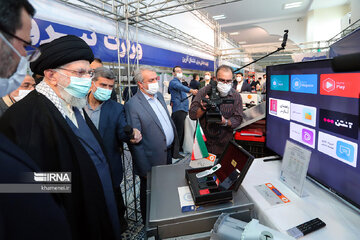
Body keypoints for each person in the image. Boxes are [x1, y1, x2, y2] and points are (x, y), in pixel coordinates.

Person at [0, 35, 121, 240]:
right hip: (70, 215)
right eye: (79, 73)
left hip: (100, 204)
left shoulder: (74, 103)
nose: (87, 80)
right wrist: (75, 182)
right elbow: (17, 182)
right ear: (51, 75)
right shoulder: (22, 117)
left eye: (89, 73)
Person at [0, 1, 71, 239]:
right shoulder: (21, 114)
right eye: (23, 44)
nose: (23, 55)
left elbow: (15, 179)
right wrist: (62, 182)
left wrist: (65, 181)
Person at [85, 67, 142, 231]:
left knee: (114, 202)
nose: (107, 90)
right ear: (91, 83)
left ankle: (119, 224)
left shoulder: (116, 109)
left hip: (109, 165)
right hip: (84, 165)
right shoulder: (76, 105)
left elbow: (122, 132)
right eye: (103, 85)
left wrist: (133, 134)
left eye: (111, 87)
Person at [125, 66, 179, 224]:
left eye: (156, 79)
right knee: (148, 195)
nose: (156, 82)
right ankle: (149, 224)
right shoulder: (133, 105)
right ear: (140, 84)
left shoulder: (159, 96)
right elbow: (135, 141)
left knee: (164, 189)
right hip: (150, 160)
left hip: (166, 153)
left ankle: (163, 216)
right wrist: (143, 169)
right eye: (152, 80)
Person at [189, 65, 243, 155]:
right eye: (222, 80)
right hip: (203, 143)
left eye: (228, 81)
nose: (225, 83)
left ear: (232, 80)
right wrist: (203, 108)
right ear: (215, 79)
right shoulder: (204, 91)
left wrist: (225, 122)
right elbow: (192, 115)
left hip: (224, 144)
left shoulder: (236, 96)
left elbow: (238, 118)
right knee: (200, 168)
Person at [169, 66, 198, 152]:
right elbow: (181, 88)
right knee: (178, 131)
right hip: (179, 109)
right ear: (173, 73)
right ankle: (175, 151)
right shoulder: (174, 82)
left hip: (183, 109)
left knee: (181, 130)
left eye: (181, 71)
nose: (179, 73)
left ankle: (179, 149)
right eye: (177, 71)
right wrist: (191, 90)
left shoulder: (179, 82)